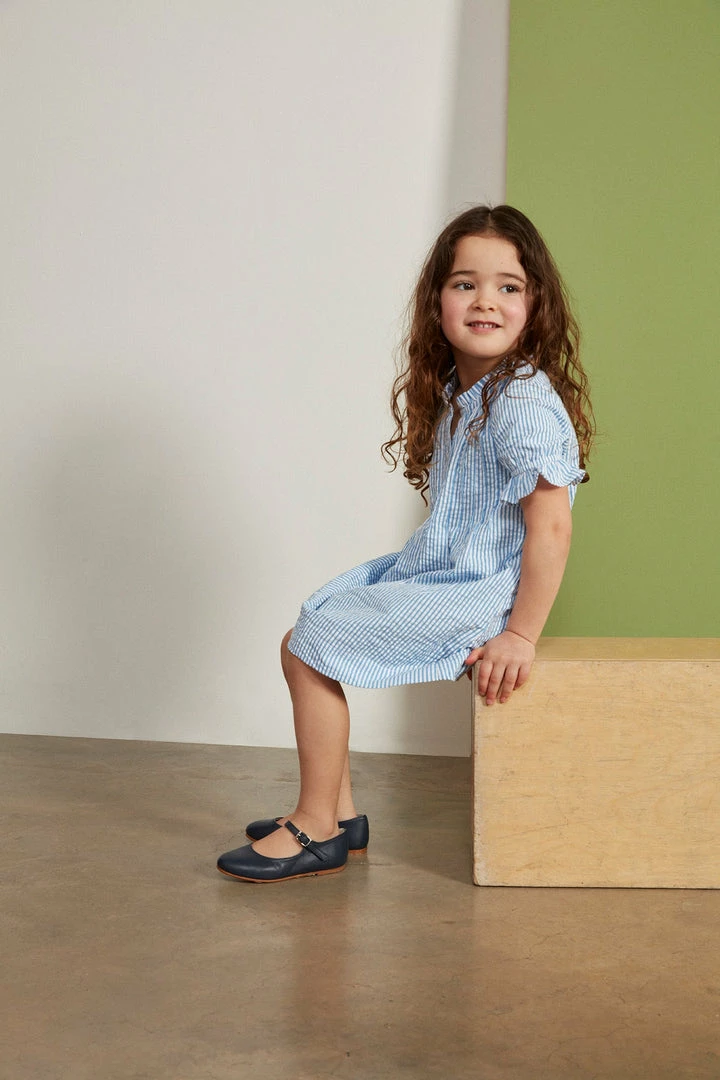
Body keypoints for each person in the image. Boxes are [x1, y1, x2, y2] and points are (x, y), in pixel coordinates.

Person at [217, 205, 594, 884]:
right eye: (465, 284)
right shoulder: (466, 394)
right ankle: (340, 811)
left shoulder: (522, 401)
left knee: (308, 645)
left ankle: (316, 826)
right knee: (305, 635)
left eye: (508, 286)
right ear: (436, 302)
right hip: (445, 572)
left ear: (535, 305)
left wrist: (520, 635)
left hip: (481, 594)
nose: (486, 301)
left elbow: (552, 525)